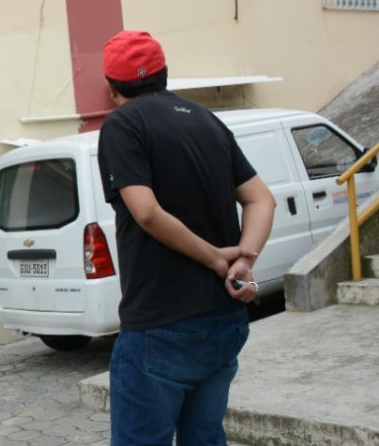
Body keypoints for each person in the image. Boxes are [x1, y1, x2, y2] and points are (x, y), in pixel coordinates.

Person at [96, 31, 275, 446]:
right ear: (164, 73)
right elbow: (261, 199)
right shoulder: (206, 119)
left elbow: (145, 211)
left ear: (111, 88)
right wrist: (243, 261)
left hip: (161, 323)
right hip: (224, 320)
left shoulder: (123, 124)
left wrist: (214, 257)